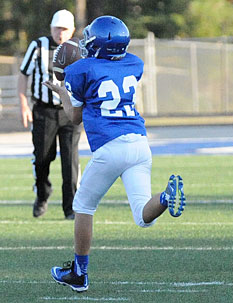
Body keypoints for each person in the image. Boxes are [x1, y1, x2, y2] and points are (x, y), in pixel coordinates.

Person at [43, 15, 186, 292]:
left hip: (111, 146)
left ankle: (79, 273)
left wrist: (62, 91)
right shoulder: (133, 64)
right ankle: (166, 197)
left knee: (83, 206)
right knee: (142, 215)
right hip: (139, 144)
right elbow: (106, 72)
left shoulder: (82, 70)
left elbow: (74, 117)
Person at [18, 9, 82, 220]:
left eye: (64, 29)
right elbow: (23, 74)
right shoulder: (38, 46)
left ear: (72, 30)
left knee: (70, 160)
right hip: (44, 109)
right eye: (57, 28)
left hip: (70, 111)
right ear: (51, 28)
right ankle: (43, 194)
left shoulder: (79, 49)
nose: (60, 33)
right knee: (42, 157)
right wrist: (24, 105)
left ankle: (70, 208)